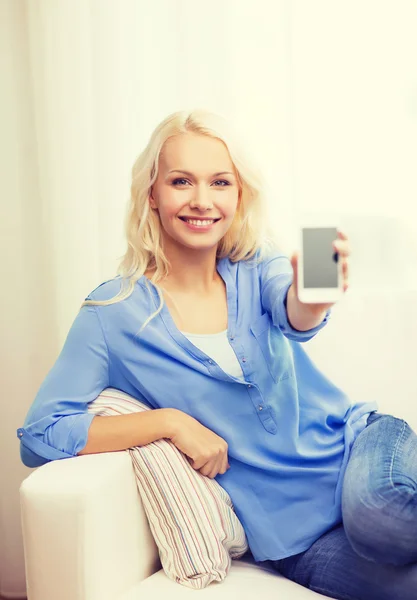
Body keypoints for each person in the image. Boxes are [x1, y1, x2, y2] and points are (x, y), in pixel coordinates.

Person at [17, 109, 417, 599]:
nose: (202, 200)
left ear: (238, 195)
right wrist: (169, 422)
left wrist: (312, 301)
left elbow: (294, 312)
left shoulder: (257, 264)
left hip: (362, 452)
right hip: (296, 540)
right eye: (182, 181)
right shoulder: (111, 314)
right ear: (153, 195)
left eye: (220, 182)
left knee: (380, 520)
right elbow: (39, 435)